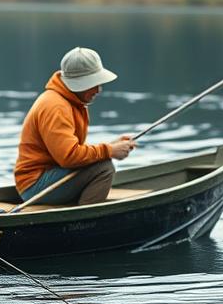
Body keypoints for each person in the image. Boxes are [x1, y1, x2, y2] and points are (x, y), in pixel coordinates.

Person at [14, 47, 136, 206]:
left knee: (101, 162)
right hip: (35, 187)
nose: (98, 90)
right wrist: (109, 151)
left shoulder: (69, 101)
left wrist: (112, 146)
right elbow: (69, 157)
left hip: (47, 178)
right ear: (79, 83)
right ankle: (85, 221)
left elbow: (69, 151)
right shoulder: (56, 107)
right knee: (104, 168)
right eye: (94, 83)